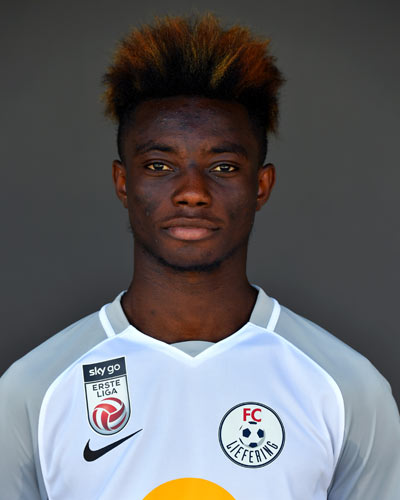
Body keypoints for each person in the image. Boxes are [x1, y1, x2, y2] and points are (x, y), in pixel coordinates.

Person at [0, 13, 399, 500]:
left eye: (223, 166)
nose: (192, 192)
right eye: (159, 165)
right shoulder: (34, 391)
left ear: (261, 185)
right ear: (123, 183)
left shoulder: (347, 389)